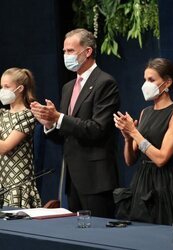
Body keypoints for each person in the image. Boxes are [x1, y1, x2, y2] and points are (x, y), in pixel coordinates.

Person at [30, 28, 120, 218]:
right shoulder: (68, 87)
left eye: (70, 51)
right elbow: (66, 135)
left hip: (96, 178)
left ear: (87, 52)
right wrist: (49, 124)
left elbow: (98, 129)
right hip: (72, 178)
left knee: (98, 236)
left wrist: (58, 118)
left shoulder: (105, 82)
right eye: (64, 51)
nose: (66, 55)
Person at [113, 58, 173, 228]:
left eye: (151, 80)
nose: (145, 84)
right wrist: (127, 137)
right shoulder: (144, 112)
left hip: (165, 185)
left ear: (167, 82)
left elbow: (162, 158)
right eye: (144, 79)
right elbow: (130, 160)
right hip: (141, 181)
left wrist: (134, 132)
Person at [0, 67, 41, 208]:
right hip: (2, 180)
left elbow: (5, 147)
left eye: (6, 87)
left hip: (17, 183)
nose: (2, 90)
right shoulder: (2, 114)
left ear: (20, 88)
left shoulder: (27, 115)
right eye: (1, 87)